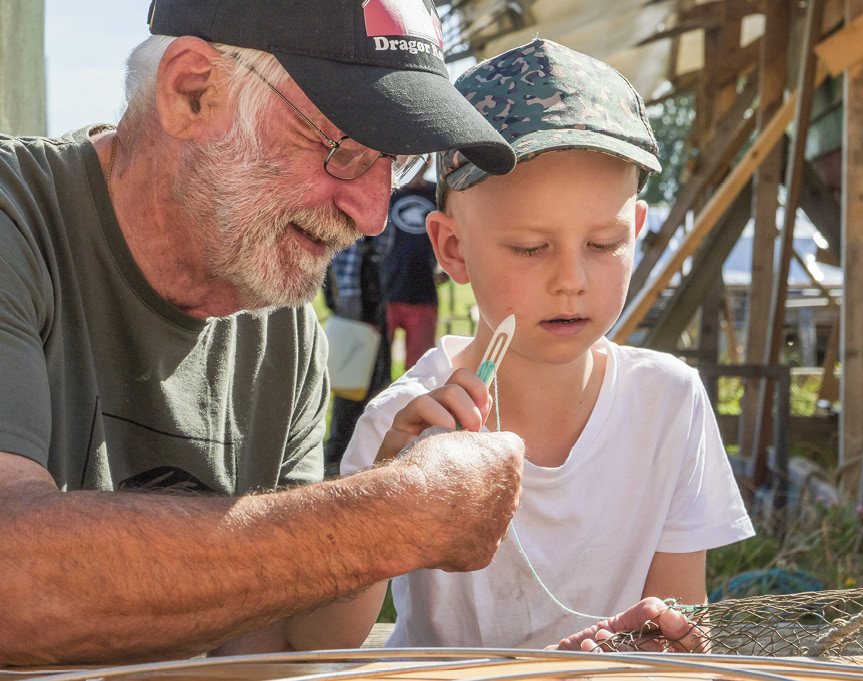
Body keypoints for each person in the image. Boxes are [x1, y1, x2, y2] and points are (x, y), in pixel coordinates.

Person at [0, 0, 531, 664]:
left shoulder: (285, 333)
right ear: (192, 91)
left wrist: (386, 484)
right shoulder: (15, 223)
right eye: (344, 149)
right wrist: (392, 515)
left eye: (396, 165)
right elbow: (12, 582)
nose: (372, 215)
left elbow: (275, 640)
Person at [340, 39, 755, 649]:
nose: (571, 281)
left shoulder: (668, 403)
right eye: (531, 248)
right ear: (452, 248)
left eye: (604, 243)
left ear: (636, 232)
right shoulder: (403, 424)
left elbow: (675, 629)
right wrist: (384, 501)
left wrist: (636, 646)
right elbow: (324, 639)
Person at [322, 237, 392, 471]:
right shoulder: (354, 237)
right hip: (360, 321)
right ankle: (339, 454)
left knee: (373, 384)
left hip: (370, 318)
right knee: (352, 388)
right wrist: (359, 320)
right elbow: (347, 277)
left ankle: (363, 450)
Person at [380, 158, 440, 371]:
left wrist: (445, 271)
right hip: (386, 291)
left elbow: (454, 235)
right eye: (409, 163)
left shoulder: (437, 195)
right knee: (378, 365)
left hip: (423, 293)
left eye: (420, 162)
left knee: (420, 368)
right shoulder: (390, 192)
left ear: (428, 165)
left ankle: (414, 404)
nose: (414, 169)